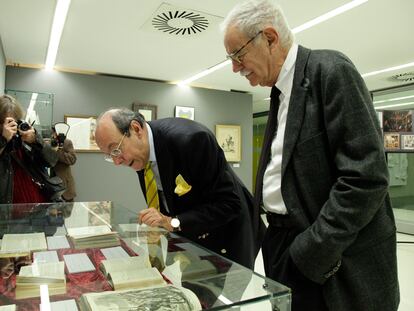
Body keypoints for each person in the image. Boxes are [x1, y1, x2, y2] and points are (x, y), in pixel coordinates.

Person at [221, 1, 399, 311]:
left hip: (325, 255)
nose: (235, 67)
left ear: (270, 38)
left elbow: (366, 178)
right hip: (282, 245)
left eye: (238, 55)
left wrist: (309, 252)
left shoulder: (330, 70)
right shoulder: (279, 92)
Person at [94, 108, 264, 269]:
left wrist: (172, 222)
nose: (117, 162)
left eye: (116, 150)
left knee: (224, 299)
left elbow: (229, 205)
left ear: (136, 129)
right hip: (191, 240)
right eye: (110, 156)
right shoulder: (140, 153)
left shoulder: (192, 140)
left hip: (227, 238)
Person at [0, 94, 58, 204]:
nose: (12, 126)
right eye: (7, 122)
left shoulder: (22, 138)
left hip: (38, 211)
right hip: (9, 215)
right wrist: (3, 139)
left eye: (15, 121)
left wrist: (36, 141)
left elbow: (52, 161)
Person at [50, 126, 77, 201]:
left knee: (66, 211)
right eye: (52, 133)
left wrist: (57, 151)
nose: (53, 136)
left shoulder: (66, 143)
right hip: (49, 186)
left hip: (65, 187)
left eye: (55, 133)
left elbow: (72, 160)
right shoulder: (46, 143)